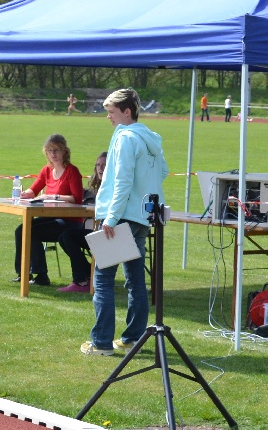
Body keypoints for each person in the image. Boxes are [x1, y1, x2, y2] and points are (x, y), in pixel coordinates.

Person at [82, 88, 168, 355]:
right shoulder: (150, 138)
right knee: (135, 280)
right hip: (143, 216)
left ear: (126, 111)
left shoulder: (125, 138)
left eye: (111, 112)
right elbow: (163, 171)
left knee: (103, 280)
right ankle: (133, 338)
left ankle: (101, 343)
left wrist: (111, 217)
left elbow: (122, 181)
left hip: (121, 217)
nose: (108, 117)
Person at [12, 134, 84, 286]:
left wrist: (54, 197)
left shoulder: (72, 171)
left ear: (64, 151)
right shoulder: (46, 170)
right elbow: (33, 190)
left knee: (32, 232)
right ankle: (23, 273)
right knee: (21, 230)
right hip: (51, 217)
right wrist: (24, 194)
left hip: (69, 220)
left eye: (57, 150)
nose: (53, 153)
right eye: (49, 150)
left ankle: (41, 276)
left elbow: (77, 198)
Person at [57, 151, 107, 294]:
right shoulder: (94, 189)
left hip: (110, 233)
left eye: (104, 165)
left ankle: (82, 281)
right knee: (64, 236)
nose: (100, 168)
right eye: (98, 165)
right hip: (98, 230)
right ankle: (88, 274)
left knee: (68, 235)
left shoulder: (114, 188)